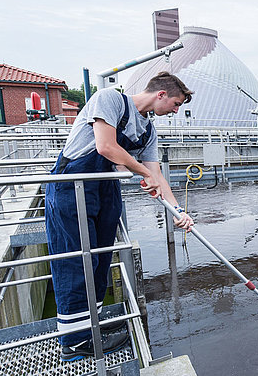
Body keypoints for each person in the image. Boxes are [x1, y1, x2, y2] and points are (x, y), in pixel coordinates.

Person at [46, 72, 195, 361]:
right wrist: (141, 172)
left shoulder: (148, 130)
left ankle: (93, 325)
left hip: (105, 189)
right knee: (77, 258)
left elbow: (156, 175)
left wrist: (179, 211)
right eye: (176, 104)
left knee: (100, 257)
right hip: (74, 185)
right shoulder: (110, 99)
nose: (176, 111)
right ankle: (75, 342)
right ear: (161, 94)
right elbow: (106, 146)